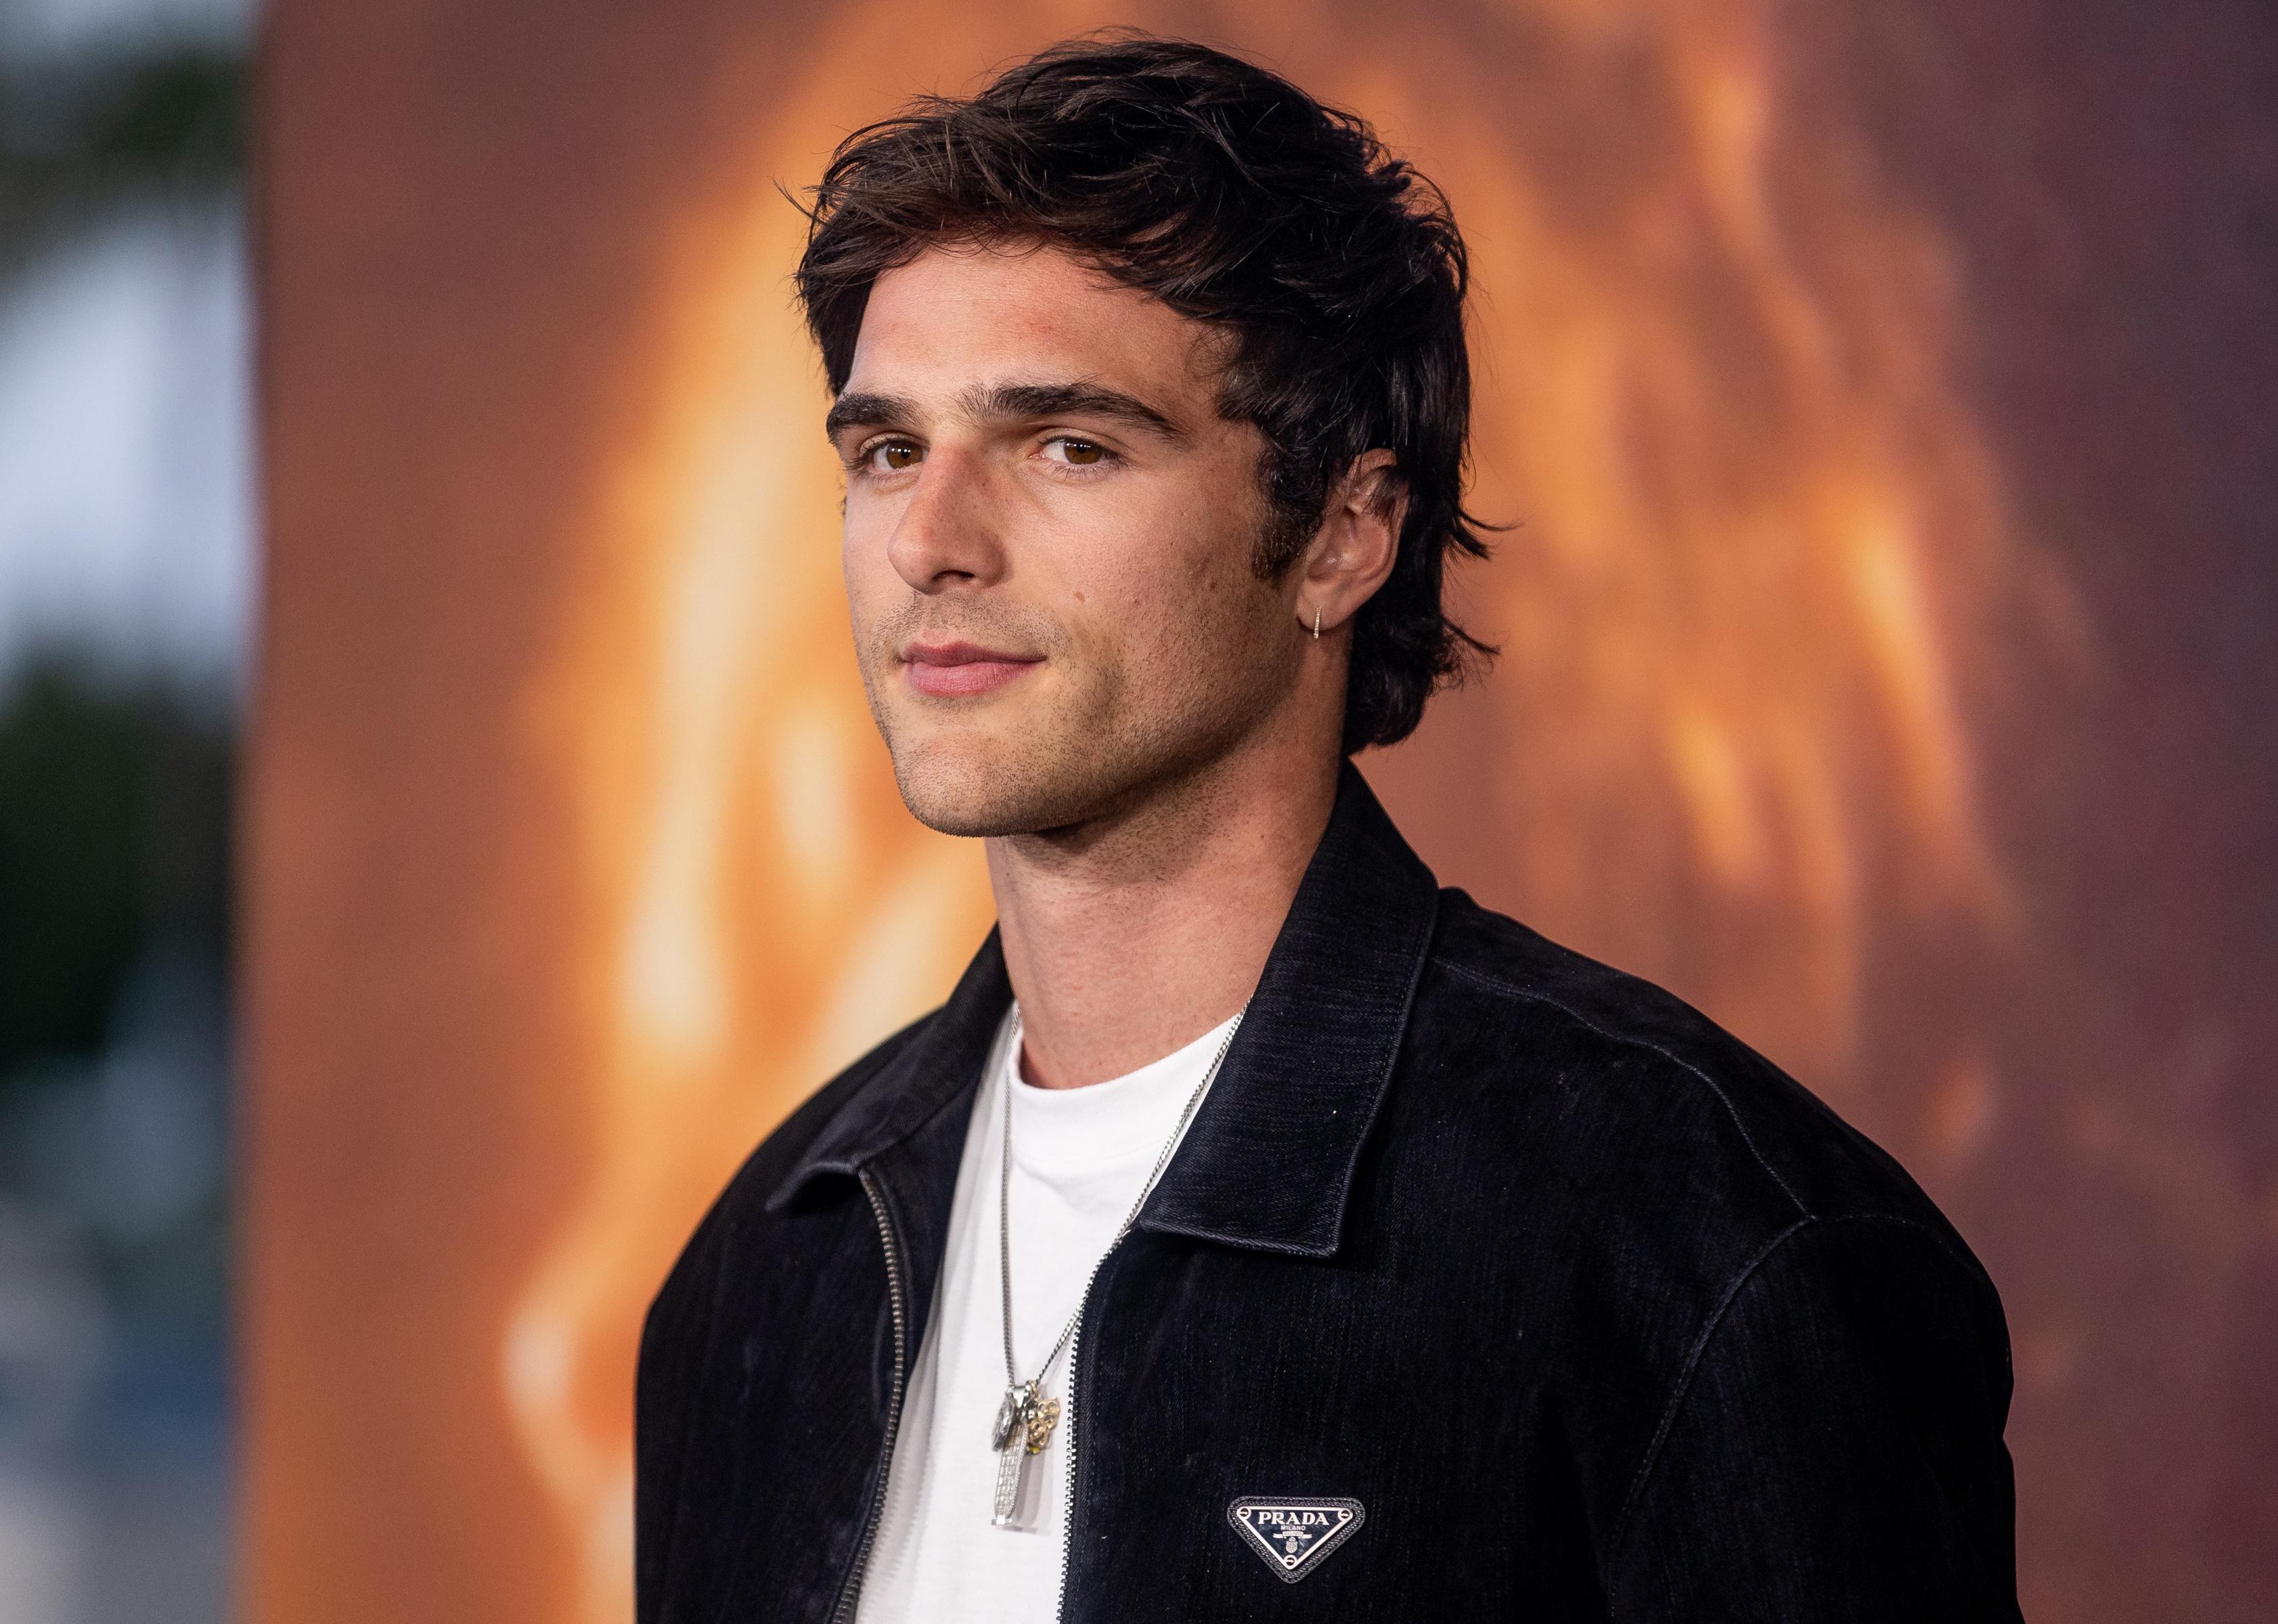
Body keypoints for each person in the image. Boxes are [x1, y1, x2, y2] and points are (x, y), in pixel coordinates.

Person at [635, 33, 2022, 1624]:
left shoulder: (1700, 1238)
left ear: (1345, 537)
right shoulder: (767, 1270)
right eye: (888, 451)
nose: (930, 541)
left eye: (1069, 444)